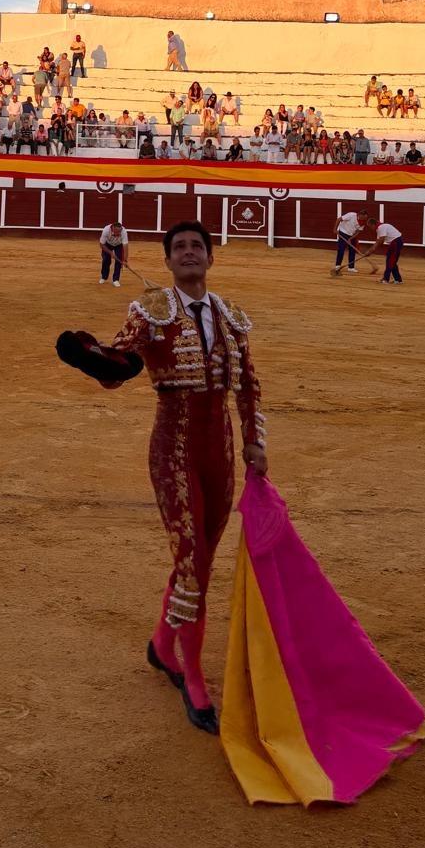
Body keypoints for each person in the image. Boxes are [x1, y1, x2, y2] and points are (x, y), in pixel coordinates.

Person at [55, 221, 265, 734]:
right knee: (191, 560)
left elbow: (249, 386)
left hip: (220, 451)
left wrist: (255, 442)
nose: (189, 253)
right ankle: (189, 673)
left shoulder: (232, 318)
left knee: (201, 559)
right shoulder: (149, 312)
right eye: (179, 248)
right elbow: (121, 362)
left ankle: (160, 643)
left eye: (197, 247)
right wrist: (93, 358)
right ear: (168, 262)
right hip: (173, 447)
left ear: (210, 260)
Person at [361, 217, 404, 284]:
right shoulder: (380, 228)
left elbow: (381, 240)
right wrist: (370, 251)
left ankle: (386, 279)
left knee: (390, 261)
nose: (371, 229)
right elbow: (378, 241)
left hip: (395, 242)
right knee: (392, 261)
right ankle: (398, 279)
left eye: (370, 226)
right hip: (396, 242)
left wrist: (370, 251)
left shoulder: (381, 228)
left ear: (373, 224)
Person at [332, 208, 368, 275]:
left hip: (352, 235)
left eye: (365, 218)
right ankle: (337, 265)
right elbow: (339, 219)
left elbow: (358, 232)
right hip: (343, 232)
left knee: (352, 250)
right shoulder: (351, 215)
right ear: (360, 215)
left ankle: (351, 267)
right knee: (341, 249)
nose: (363, 219)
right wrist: (335, 229)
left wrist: (351, 238)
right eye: (363, 218)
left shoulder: (363, 222)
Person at [99, 220, 129, 285]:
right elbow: (101, 244)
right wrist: (111, 252)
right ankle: (104, 277)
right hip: (107, 245)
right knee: (106, 260)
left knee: (119, 261)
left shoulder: (124, 232)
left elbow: (125, 246)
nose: (119, 233)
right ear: (112, 229)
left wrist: (125, 260)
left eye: (120, 231)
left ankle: (116, 279)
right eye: (117, 232)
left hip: (119, 245)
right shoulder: (106, 230)